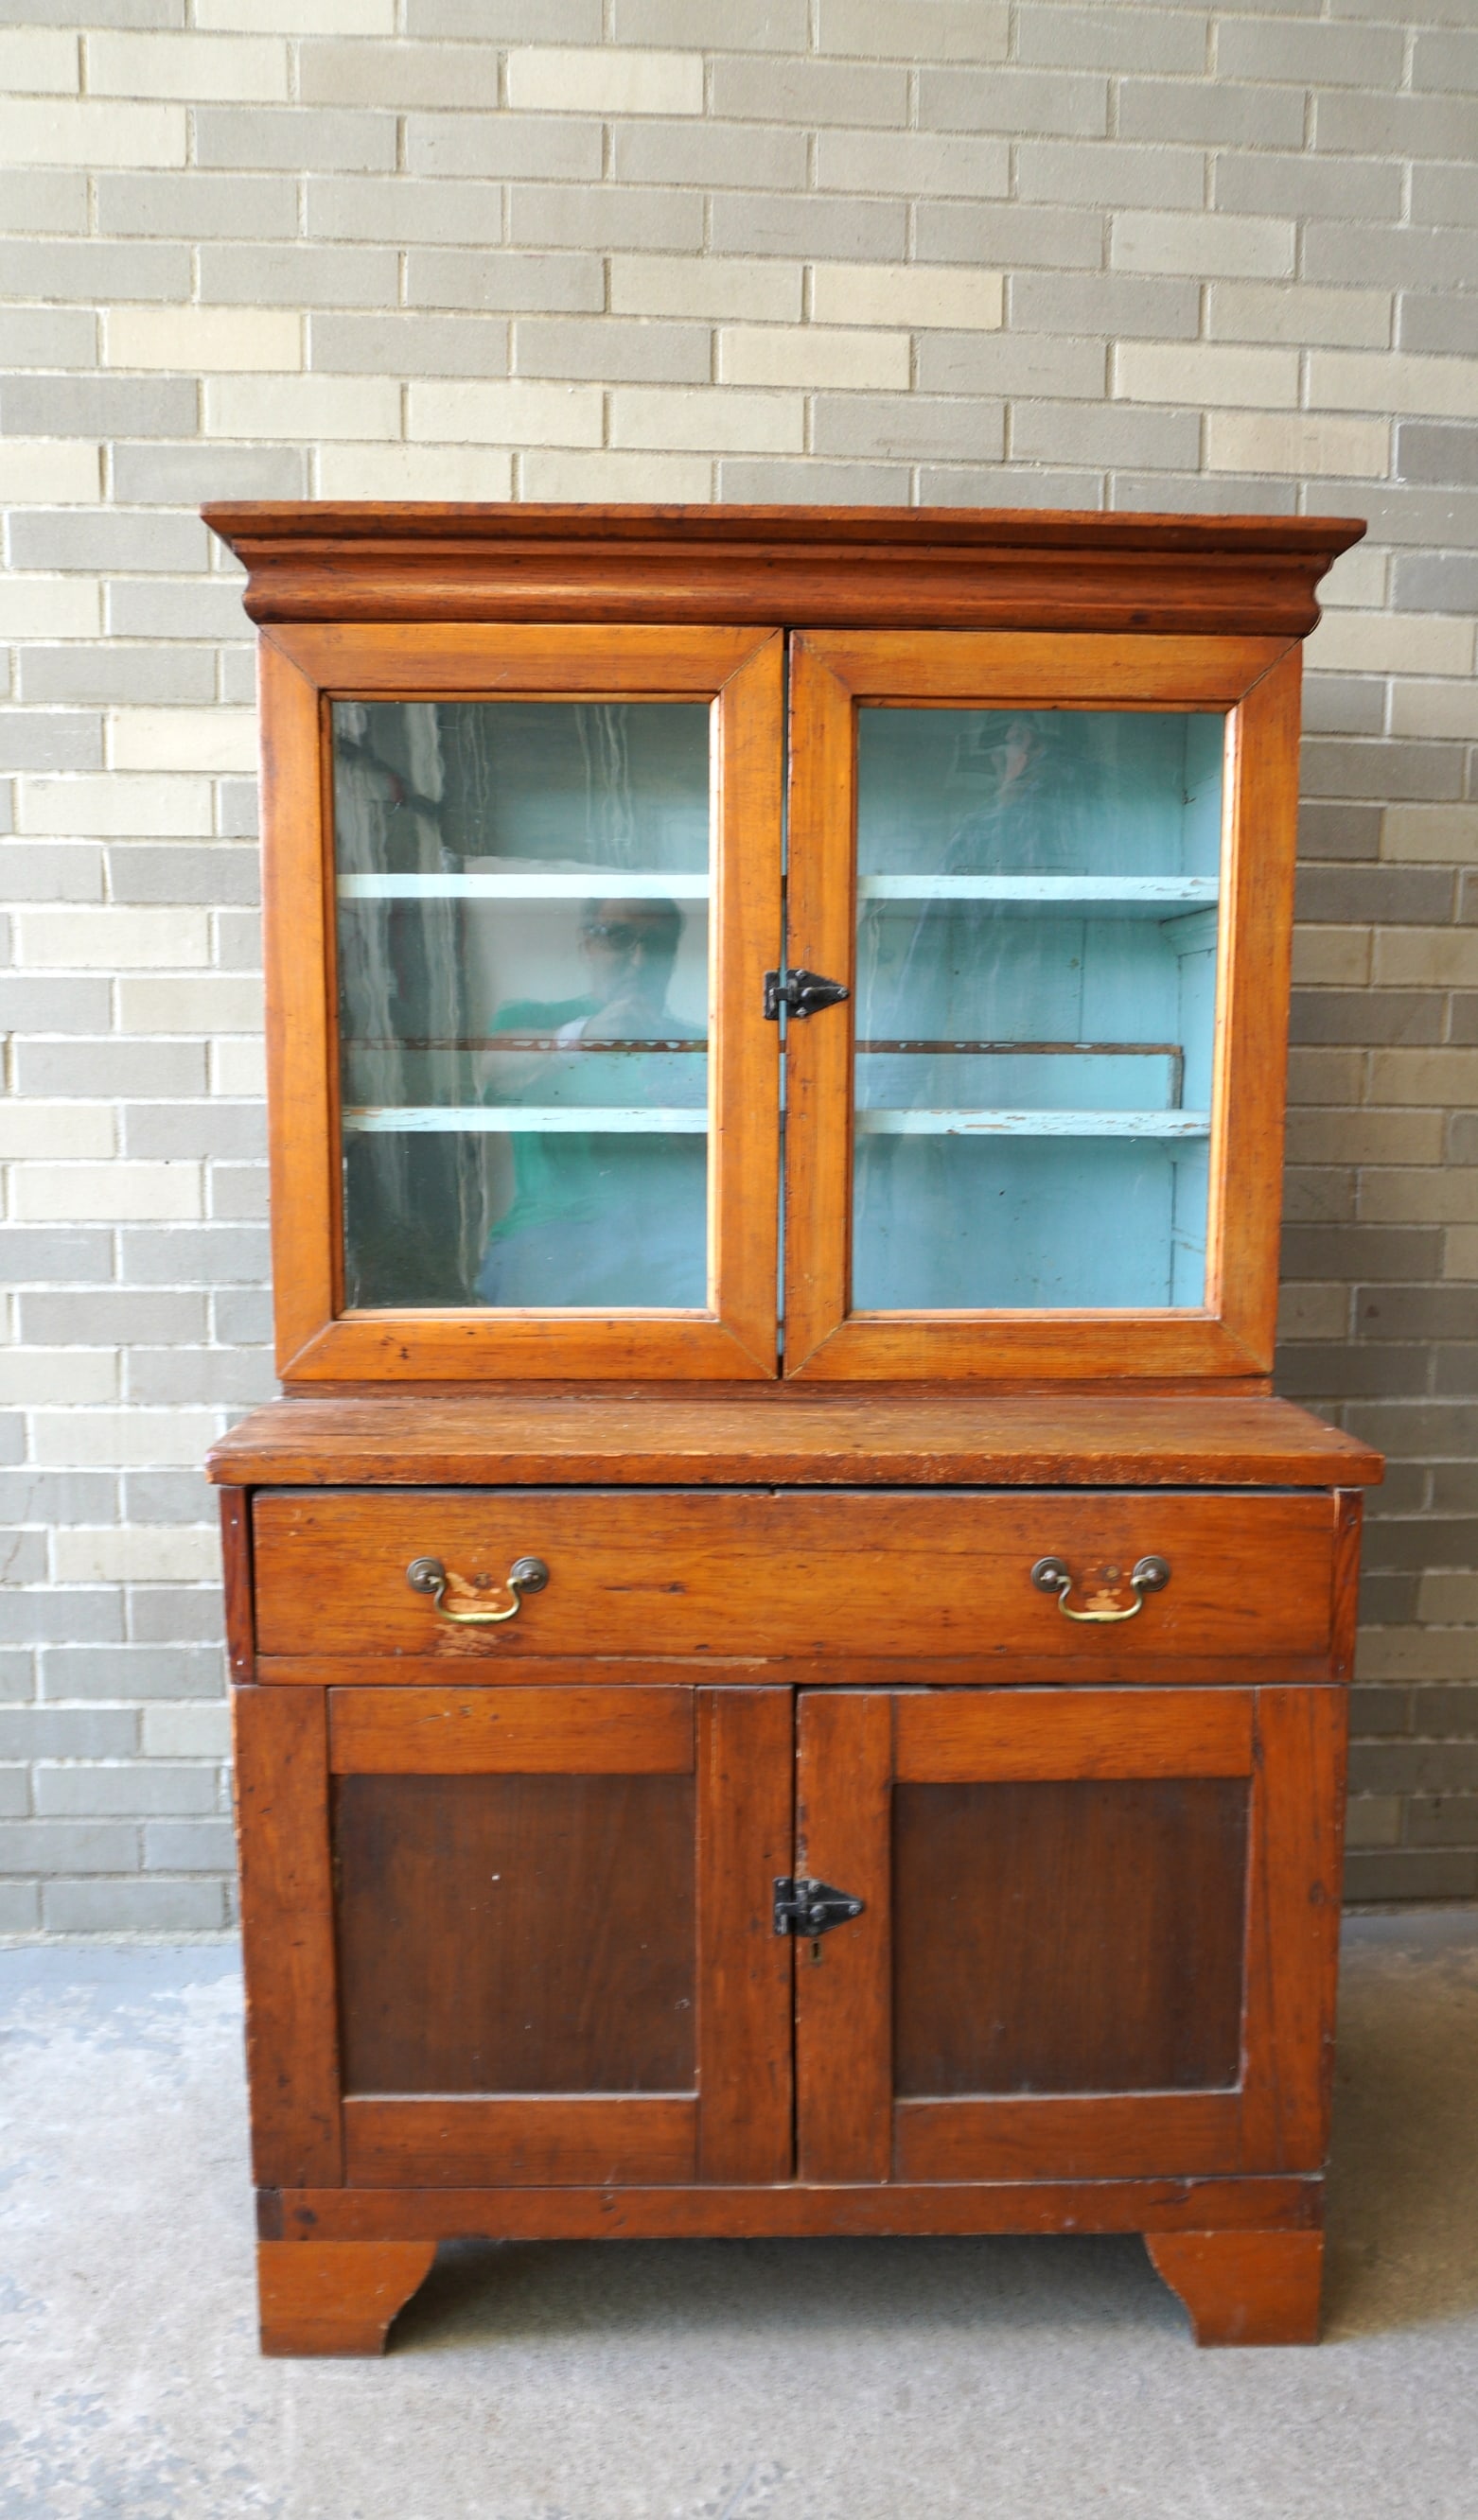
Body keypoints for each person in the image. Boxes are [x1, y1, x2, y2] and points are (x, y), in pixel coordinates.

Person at [473, 896, 707, 1308]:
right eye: (619, 937)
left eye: (658, 943)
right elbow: (493, 1067)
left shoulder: (702, 1045)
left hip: (679, 1239)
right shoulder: (531, 1020)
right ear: (587, 944)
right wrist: (580, 1037)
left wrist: (682, 1116)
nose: (639, 961)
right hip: (555, 1235)